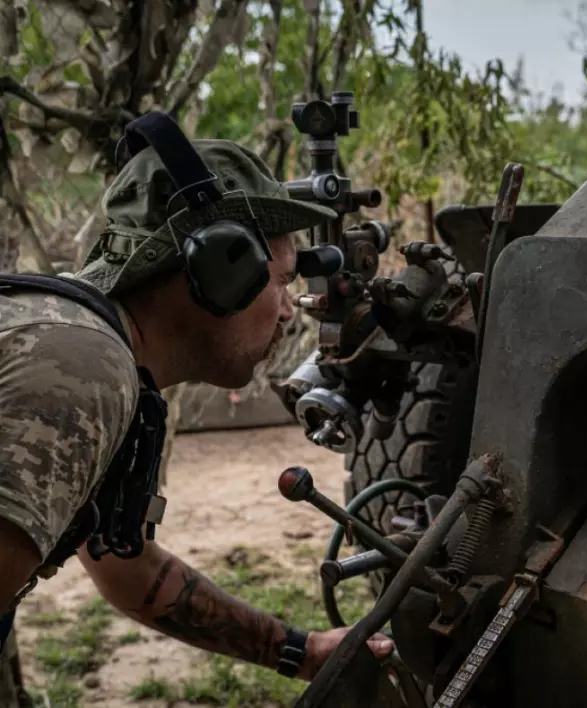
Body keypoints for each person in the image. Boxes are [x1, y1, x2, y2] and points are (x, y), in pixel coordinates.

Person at [0, 120, 392, 703]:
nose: (288, 311)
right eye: (281, 282)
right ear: (221, 267)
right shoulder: (81, 367)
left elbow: (127, 569)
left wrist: (300, 651)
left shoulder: (90, 349)